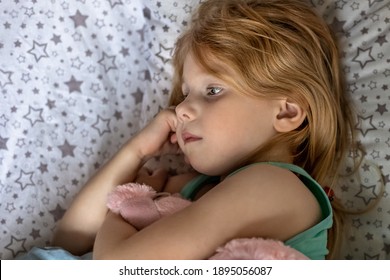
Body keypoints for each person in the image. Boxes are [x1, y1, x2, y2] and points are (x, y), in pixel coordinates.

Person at [32, 0, 355, 260]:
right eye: (186, 93)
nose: (181, 109)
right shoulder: (193, 187)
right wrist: (136, 151)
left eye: (212, 91)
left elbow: (119, 267)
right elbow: (71, 241)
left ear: (285, 111)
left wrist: (125, 211)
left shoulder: (275, 186)